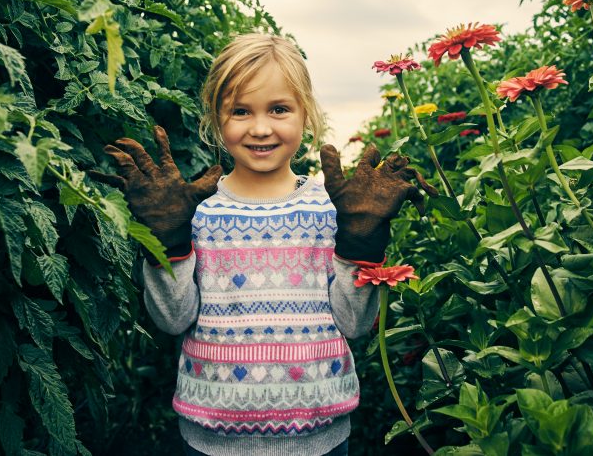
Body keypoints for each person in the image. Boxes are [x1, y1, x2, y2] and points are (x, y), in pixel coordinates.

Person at [92, 33, 433, 456]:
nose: (259, 127)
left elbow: (355, 323)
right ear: (216, 117)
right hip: (211, 441)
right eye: (240, 111)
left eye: (279, 109)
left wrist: (361, 243)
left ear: (306, 113)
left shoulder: (334, 210)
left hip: (319, 441)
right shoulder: (193, 211)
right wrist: (167, 242)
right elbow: (172, 319)